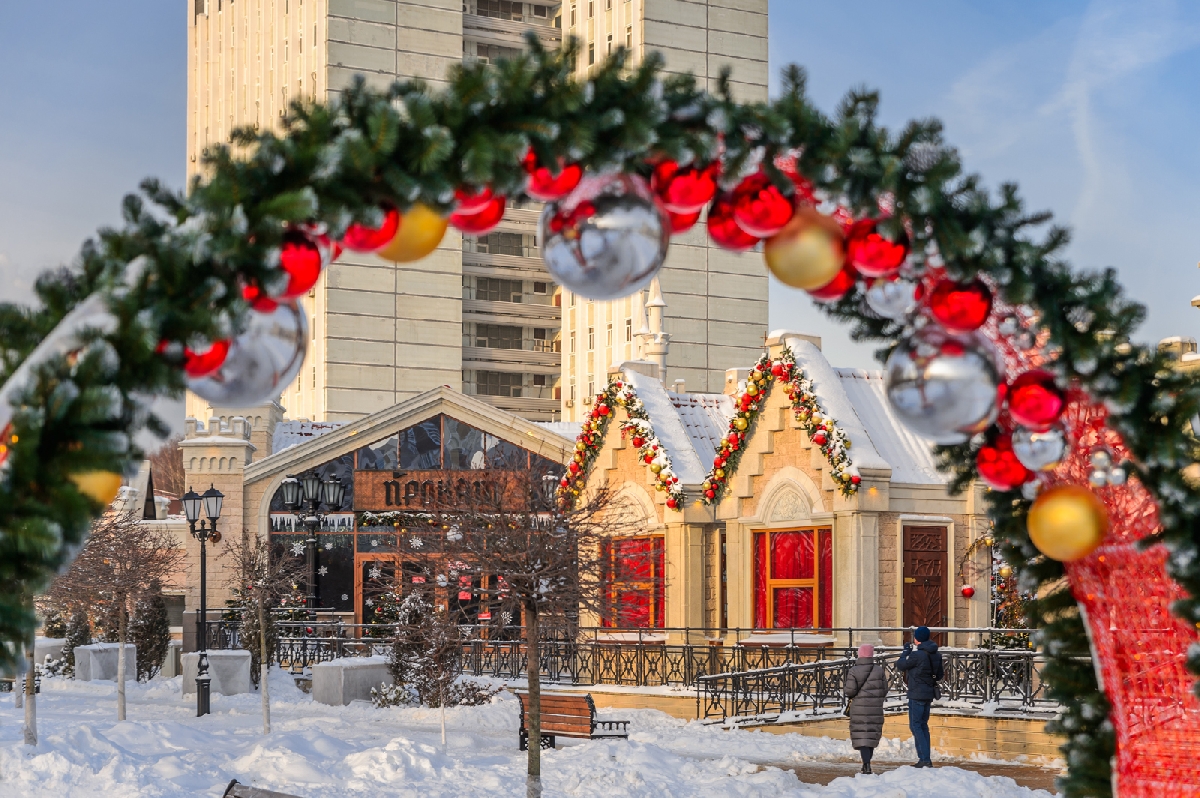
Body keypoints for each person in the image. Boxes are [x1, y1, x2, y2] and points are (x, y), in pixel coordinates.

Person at [895, 625, 943, 768]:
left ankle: (924, 759)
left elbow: (901, 665)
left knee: (916, 726)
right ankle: (925, 758)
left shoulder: (917, 655)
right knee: (923, 725)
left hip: (916, 693)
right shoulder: (936, 654)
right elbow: (939, 675)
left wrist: (905, 652)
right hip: (928, 693)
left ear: (917, 639)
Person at [844, 643, 887, 774]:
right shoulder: (879, 670)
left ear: (860, 654)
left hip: (859, 708)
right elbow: (884, 689)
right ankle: (867, 763)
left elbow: (849, 691)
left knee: (862, 735)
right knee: (871, 735)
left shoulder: (854, 671)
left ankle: (866, 764)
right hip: (875, 708)